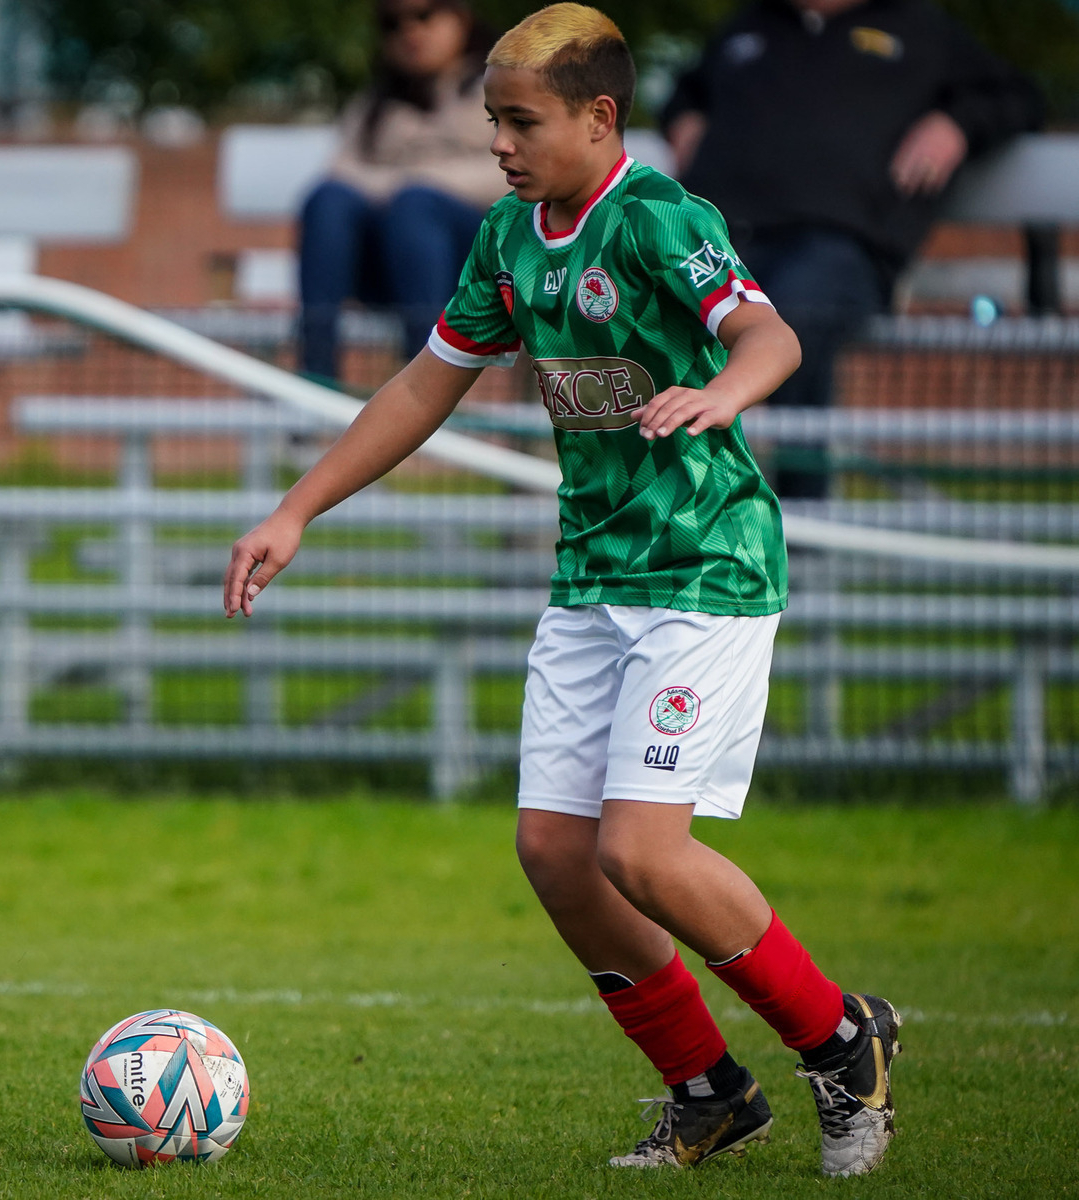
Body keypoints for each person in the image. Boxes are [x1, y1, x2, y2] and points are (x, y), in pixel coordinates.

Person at [227, 4, 901, 1177]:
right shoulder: (507, 236)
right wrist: (296, 508)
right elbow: (423, 387)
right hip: (592, 573)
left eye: (520, 120)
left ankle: (841, 1043)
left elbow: (769, 333)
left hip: (706, 568)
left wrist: (723, 395)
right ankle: (709, 1094)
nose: (498, 141)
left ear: (600, 117)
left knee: (641, 853)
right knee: (554, 852)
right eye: (491, 119)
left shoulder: (658, 218)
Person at [662, 0, 1042, 497]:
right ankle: (659, 523)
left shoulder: (919, 27)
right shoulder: (749, 25)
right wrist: (684, 118)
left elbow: (1021, 98)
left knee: (791, 320)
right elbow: (683, 92)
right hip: (723, 239)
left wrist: (956, 125)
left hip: (841, 249)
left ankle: (802, 536)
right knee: (648, 313)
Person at [297, 0, 510, 382]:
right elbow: (337, 175)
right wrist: (405, 184)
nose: (410, 31)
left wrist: (413, 181)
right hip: (387, 266)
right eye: (392, 23)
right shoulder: (373, 105)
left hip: (478, 267)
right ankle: (315, 379)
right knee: (328, 203)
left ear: (460, 17)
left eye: (425, 15)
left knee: (415, 206)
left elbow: (515, 173)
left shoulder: (504, 88)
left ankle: (427, 386)